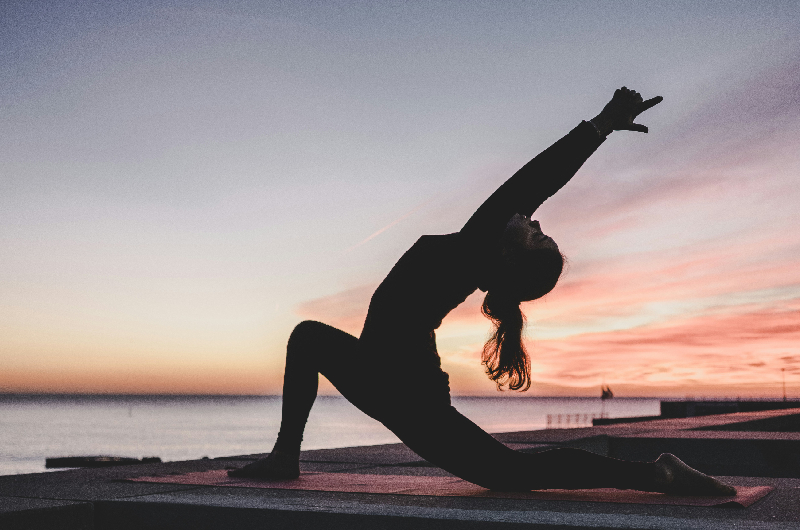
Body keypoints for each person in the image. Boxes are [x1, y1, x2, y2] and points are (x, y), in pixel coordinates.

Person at [230, 88, 736, 496]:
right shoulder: (473, 254)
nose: (534, 221)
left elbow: (536, 180)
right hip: (381, 374)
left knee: (510, 476)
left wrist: (601, 125)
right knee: (307, 338)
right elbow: (532, 190)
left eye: (537, 234)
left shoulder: (477, 248)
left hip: (406, 393)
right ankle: (285, 457)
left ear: (511, 259)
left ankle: (655, 474)